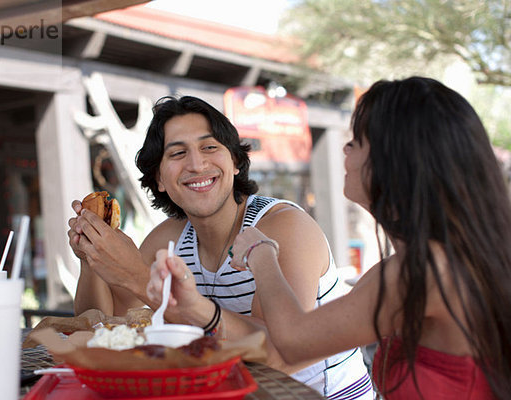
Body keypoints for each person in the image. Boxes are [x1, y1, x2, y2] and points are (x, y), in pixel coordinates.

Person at [219, 77, 511, 399]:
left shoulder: (421, 271)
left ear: (397, 161)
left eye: (357, 140)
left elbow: (292, 342)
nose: (345, 148)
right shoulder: (428, 263)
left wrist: (260, 254)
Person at [69, 95, 374, 399]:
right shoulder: (169, 240)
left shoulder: (283, 228)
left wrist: (137, 276)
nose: (197, 164)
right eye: (177, 153)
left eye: (210, 147)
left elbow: (279, 356)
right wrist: (92, 257)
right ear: (159, 179)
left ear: (236, 162)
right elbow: (104, 325)